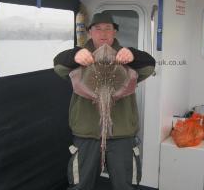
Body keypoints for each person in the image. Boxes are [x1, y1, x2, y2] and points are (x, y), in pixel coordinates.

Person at [53, 12, 155, 190]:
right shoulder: (79, 57)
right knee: (80, 184)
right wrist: (75, 55)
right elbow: (59, 66)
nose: (103, 33)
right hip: (87, 133)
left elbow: (150, 65)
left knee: (126, 185)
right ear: (90, 32)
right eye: (97, 29)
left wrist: (133, 55)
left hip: (121, 134)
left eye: (108, 28)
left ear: (115, 32)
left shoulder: (126, 57)